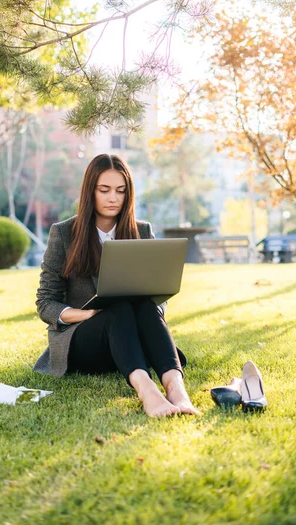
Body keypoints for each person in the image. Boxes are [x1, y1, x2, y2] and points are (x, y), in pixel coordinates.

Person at [34, 154, 199, 418]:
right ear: (91, 191)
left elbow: (159, 298)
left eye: (121, 191)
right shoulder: (64, 233)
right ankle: (148, 392)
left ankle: (176, 389)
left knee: (142, 302)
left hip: (129, 337)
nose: (113, 198)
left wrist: (151, 306)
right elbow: (45, 302)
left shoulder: (141, 231)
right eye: (105, 190)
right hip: (85, 340)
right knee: (118, 307)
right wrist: (85, 314)